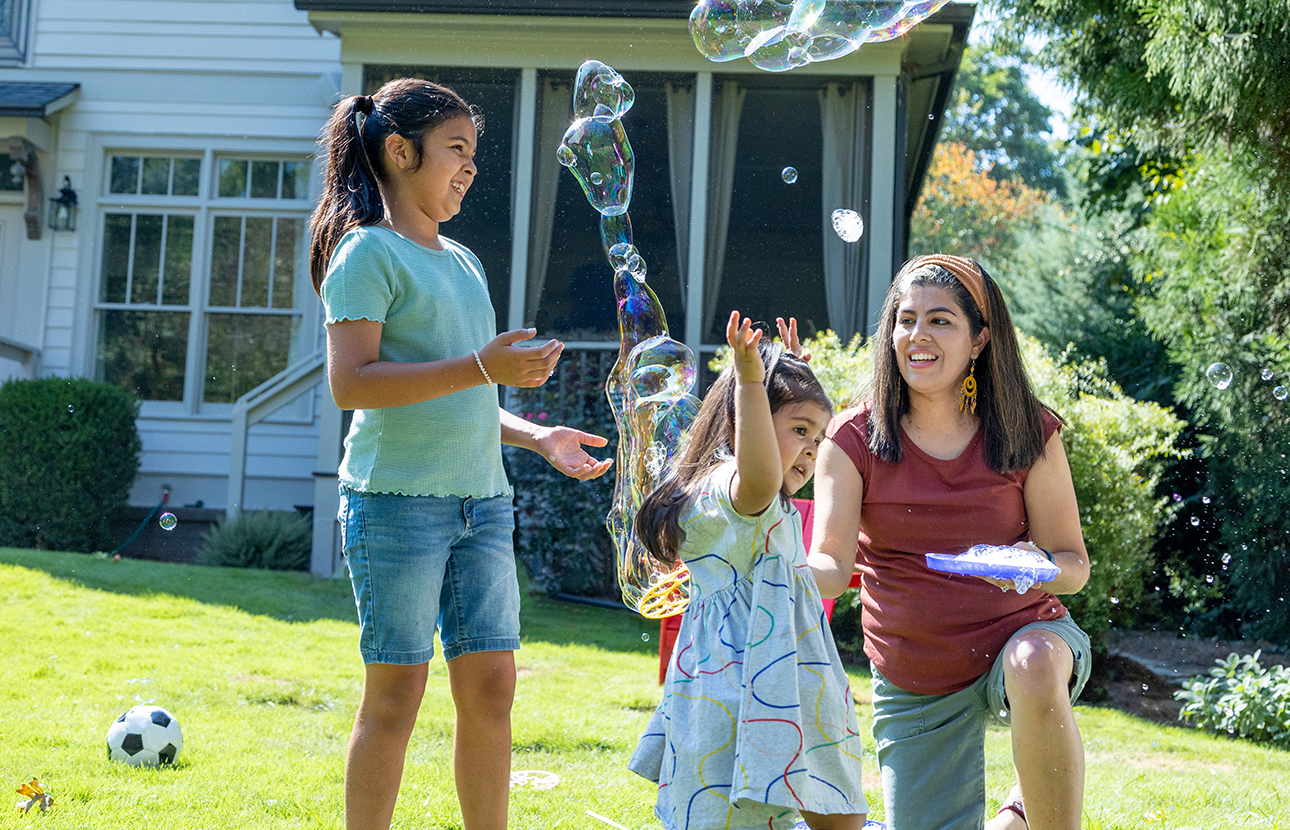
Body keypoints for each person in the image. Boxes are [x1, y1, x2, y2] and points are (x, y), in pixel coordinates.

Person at [308, 78, 613, 830]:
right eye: (456, 151)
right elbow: (353, 384)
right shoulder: (365, 253)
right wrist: (483, 366)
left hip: (483, 504)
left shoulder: (465, 263)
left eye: (473, 155)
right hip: (396, 505)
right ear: (400, 151)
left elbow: (466, 395)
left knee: (490, 690)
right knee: (396, 697)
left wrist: (536, 434)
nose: (469, 168)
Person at [808, 255, 1091, 830]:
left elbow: (1074, 565)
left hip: (1024, 636)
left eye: (940, 321)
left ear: (980, 340)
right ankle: (1025, 803)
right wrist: (769, 568)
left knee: (1032, 662)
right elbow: (832, 565)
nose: (918, 335)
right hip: (916, 672)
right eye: (905, 319)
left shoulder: (1026, 431)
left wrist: (1035, 567)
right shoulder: (852, 438)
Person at [629, 311, 869, 830]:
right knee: (814, 812)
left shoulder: (759, 508)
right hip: (759, 684)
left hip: (777, 682)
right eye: (800, 430)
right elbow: (760, 470)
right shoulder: (740, 492)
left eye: (818, 436)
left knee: (802, 813)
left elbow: (810, 577)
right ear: (744, 422)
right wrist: (752, 380)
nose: (811, 448)